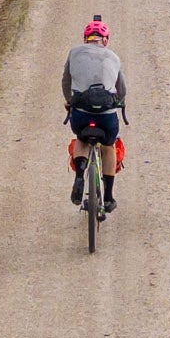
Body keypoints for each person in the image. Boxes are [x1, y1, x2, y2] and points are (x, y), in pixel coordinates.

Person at [63, 16, 127, 214]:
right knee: (108, 147)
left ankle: (80, 176)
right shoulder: (113, 57)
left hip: (81, 112)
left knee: (81, 140)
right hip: (106, 116)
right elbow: (121, 90)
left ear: (85, 38)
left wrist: (69, 101)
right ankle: (108, 197)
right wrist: (119, 102)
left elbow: (66, 81)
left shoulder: (74, 53)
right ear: (105, 40)